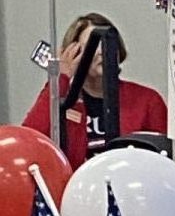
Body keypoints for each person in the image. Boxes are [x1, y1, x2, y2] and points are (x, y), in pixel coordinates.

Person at [23, 12, 167, 168]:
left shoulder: (147, 100)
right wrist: (61, 79)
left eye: (107, 43)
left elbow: (166, 158)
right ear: (74, 53)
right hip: (77, 181)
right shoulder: (65, 100)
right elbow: (28, 141)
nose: (101, 51)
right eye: (93, 44)